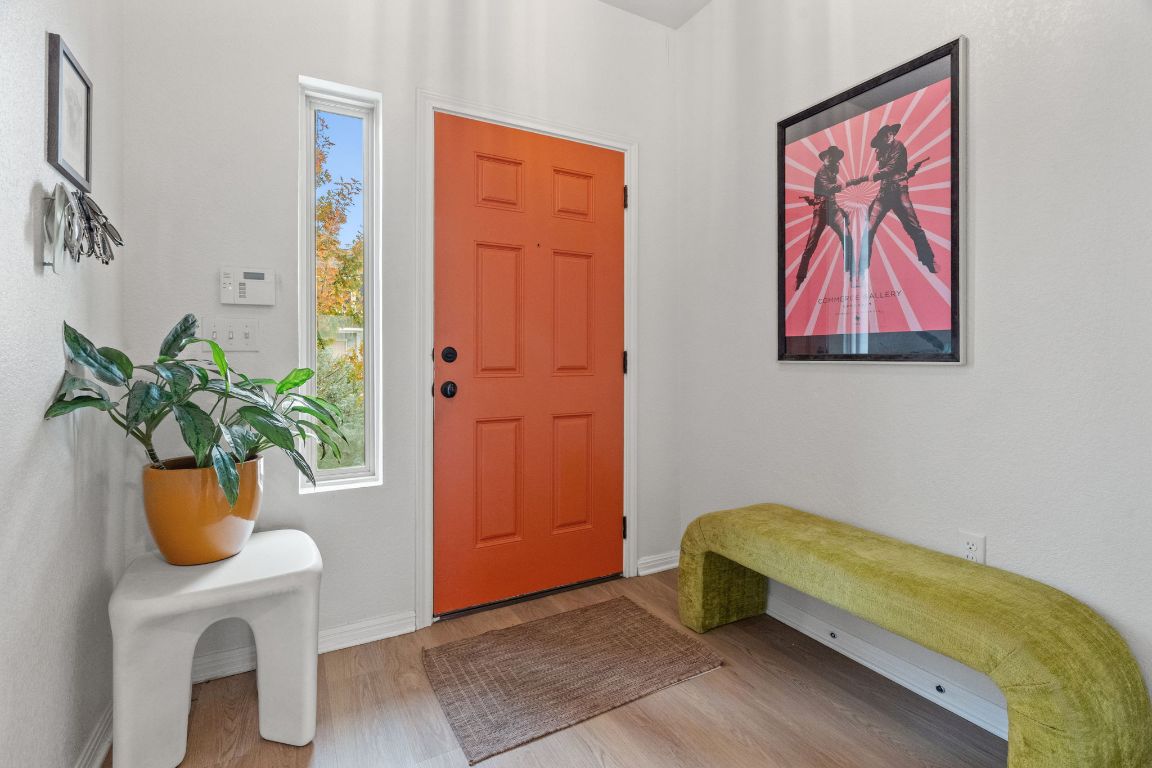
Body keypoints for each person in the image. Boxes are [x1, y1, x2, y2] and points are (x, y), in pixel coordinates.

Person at [861, 123, 935, 274]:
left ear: (892, 133)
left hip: (899, 193)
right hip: (884, 193)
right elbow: (885, 168)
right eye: (884, 135)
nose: (888, 136)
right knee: (868, 228)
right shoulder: (882, 149)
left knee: (913, 227)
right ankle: (863, 267)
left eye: (889, 133)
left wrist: (869, 177)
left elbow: (890, 169)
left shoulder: (899, 146)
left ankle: (928, 261)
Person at [795, 145, 854, 289]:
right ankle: (800, 278)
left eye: (831, 156)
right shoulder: (821, 172)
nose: (828, 159)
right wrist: (850, 182)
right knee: (811, 245)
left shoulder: (833, 171)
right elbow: (830, 189)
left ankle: (851, 274)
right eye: (827, 156)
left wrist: (841, 211)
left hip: (833, 210)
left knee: (847, 239)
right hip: (821, 212)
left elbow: (831, 197)